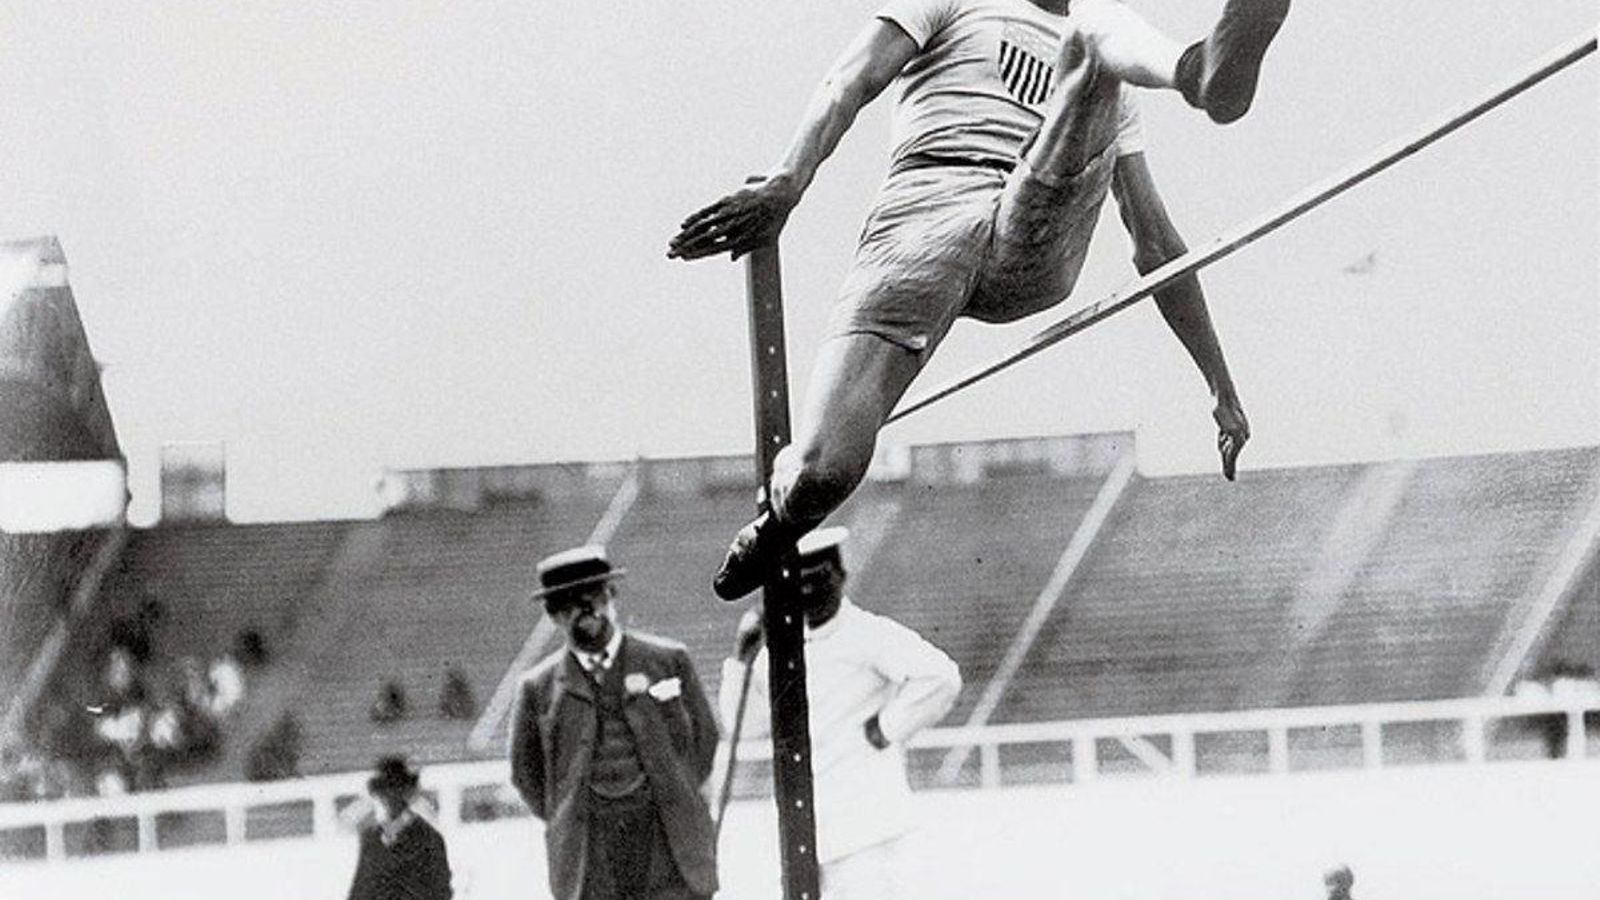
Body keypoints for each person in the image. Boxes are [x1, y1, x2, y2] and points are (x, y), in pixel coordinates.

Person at [668, 0, 1286, 599]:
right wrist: (787, 182)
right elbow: (850, 81)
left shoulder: (1107, 54)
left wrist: (1220, 386)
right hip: (927, 207)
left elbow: (1154, 241)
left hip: (1034, 224)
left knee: (1093, 33)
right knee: (819, 473)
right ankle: (778, 524)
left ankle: (1200, 75)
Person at [719, 527, 961, 899]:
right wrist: (740, 661)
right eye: (800, 581)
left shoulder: (869, 633)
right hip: (800, 828)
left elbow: (940, 676)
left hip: (866, 828)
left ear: (842, 576)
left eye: (820, 579)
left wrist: (885, 727)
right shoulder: (779, 650)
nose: (810, 591)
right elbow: (746, 727)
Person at [508, 545, 721, 900]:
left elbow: (705, 739)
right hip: (589, 852)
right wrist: (569, 813)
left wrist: (674, 789)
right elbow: (526, 774)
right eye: (569, 603)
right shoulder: (537, 688)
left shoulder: (668, 661)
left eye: (593, 596)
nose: (585, 610)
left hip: (667, 840)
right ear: (554, 615)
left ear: (611, 594)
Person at [345, 756, 454, 900]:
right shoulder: (371, 838)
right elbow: (359, 891)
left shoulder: (428, 838)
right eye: (384, 789)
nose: (389, 796)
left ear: (407, 791)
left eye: (396, 788)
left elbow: (440, 892)